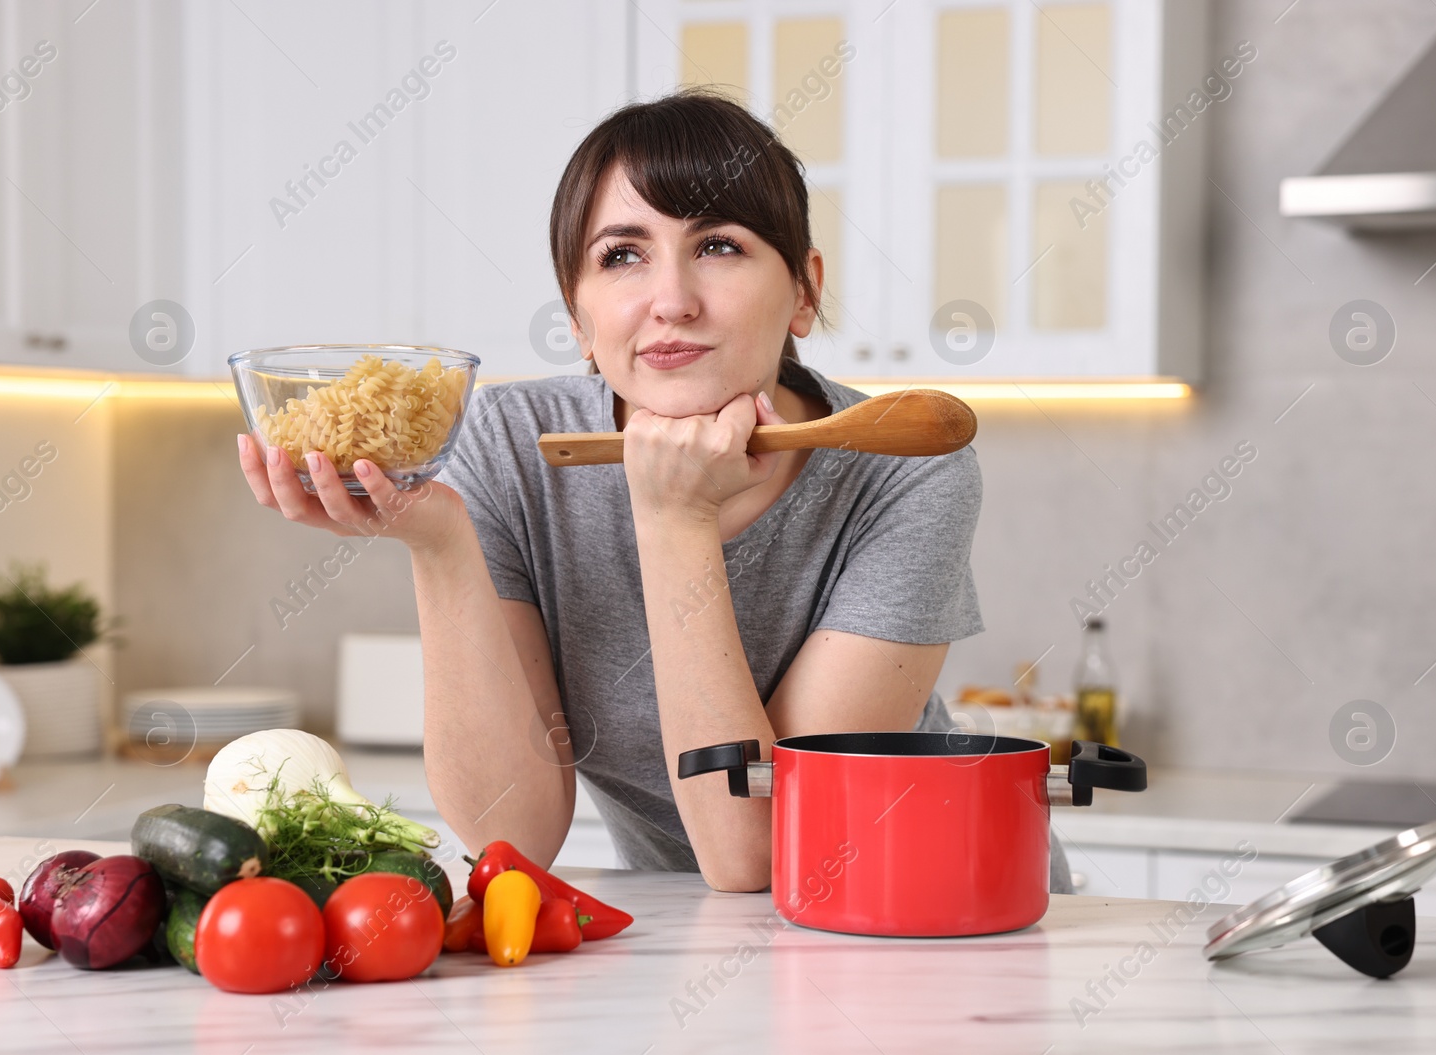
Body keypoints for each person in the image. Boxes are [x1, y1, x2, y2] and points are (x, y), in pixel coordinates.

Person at [237, 87, 1071, 894]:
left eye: (719, 245)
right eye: (622, 256)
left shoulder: (901, 466)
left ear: (805, 291)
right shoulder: (507, 445)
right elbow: (512, 834)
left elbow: (763, 847)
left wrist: (675, 516)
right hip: (713, 933)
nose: (670, 301)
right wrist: (439, 543)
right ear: (577, 317)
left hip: (936, 905)